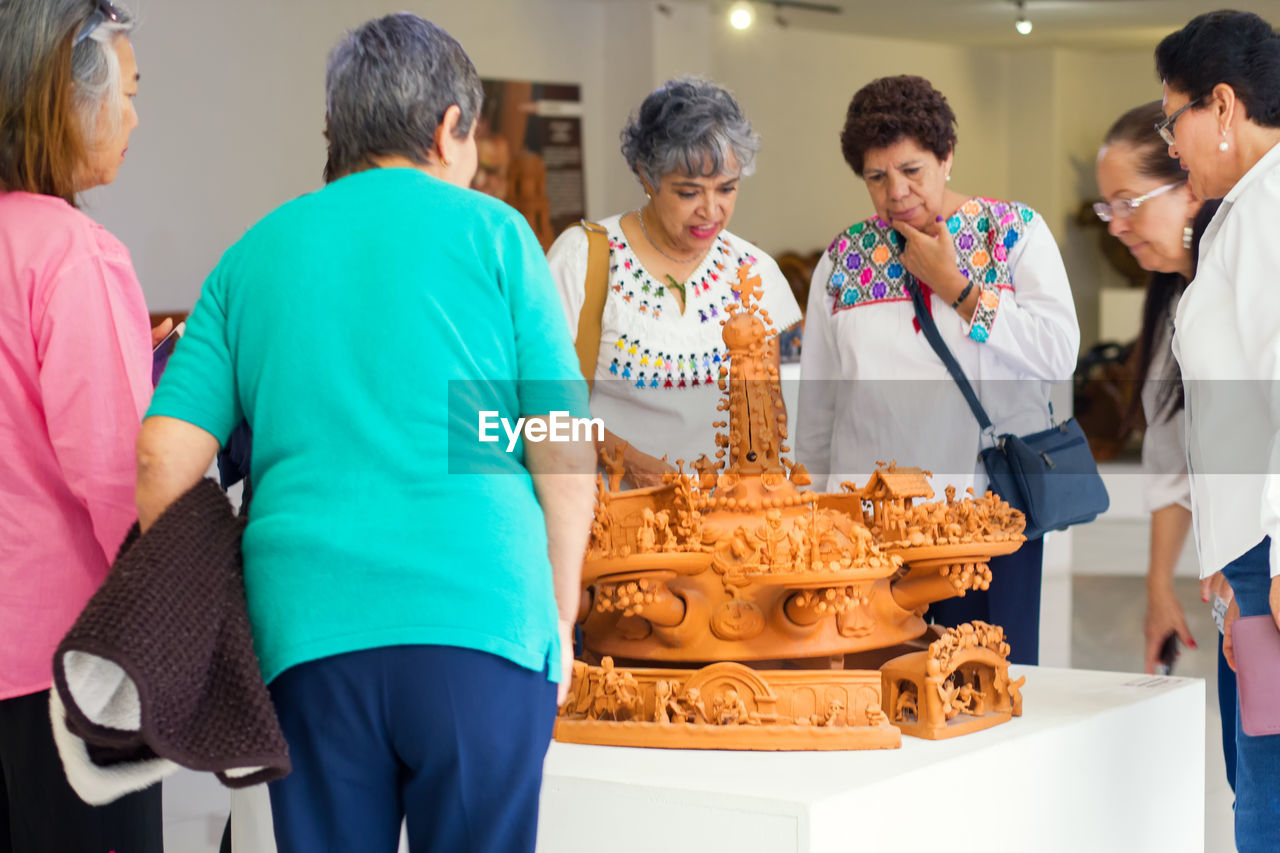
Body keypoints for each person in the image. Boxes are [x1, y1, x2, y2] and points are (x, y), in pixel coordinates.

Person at [133, 14, 595, 853]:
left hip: (308, 633)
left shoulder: (254, 253)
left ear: (336, 129)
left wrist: (209, 599)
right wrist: (558, 615)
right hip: (480, 618)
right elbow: (561, 444)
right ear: (450, 126)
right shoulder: (497, 236)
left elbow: (162, 452)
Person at [796, 75, 1080, 664]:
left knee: (983, 692)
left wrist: (958, 288)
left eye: (912, 170)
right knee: (874, 690)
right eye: (877, 177)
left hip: (985, 522)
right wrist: (817, 514)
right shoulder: (842, 260)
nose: (896, 191)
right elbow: (820, 409)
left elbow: (1058, 351)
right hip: (870, 531)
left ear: (947, 158)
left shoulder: (1013, 233)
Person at [0, 2, 165, 850]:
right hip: (67, 675)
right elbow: (118, 480)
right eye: (129, 91)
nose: (135, 115)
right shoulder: (74, 252)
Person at [547, 77, 802, 485]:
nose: (711, 210)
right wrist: (628, 460)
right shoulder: (584, 259)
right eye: (688, 193)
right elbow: (540, 409)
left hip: (724, 523)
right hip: (608, 515)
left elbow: (768, 415)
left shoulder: (753, 272)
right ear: (646, 177)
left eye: (727, 189)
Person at [1156, 10, 1280, 849]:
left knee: (1265, 803)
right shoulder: (1248, 208)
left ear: (1225, 105)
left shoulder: (1269, 208)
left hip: (1273, 556)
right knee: (1257, 782)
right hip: (1254, 557)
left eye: (1175, 119)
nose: (1170, 142)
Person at [1095, 100, 1236, 788]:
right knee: (1247, 773)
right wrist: (1159, 587)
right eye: (1105, 208)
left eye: (1127, 203)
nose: (1116, 226)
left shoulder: (1245, 290)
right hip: (1240, 586)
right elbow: (1172, 462)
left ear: (1189, 189)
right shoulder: (1173, 301)